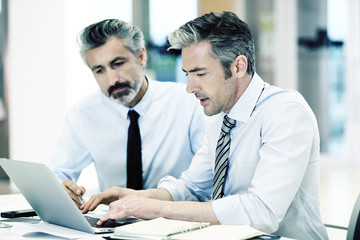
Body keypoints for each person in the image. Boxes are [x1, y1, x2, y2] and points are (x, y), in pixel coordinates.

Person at [81, 12, 329, 240]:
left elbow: (262, 212)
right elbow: (192, 187)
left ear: (238, 66)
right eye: (187, 74)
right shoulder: (219, 114)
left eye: (200, 73)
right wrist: (137, 197)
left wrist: (159, 208)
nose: (189, 87)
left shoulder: (285, 112)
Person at [48, 19, 205, 207]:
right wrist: (62, 189)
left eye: (118, 64)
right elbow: (58, 172)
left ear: (141, 57)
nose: (112, 79)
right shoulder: (83, 113)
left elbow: (206, 178)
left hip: (176, 218)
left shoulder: (187, 103)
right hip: (114, 224)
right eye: (99, 70)